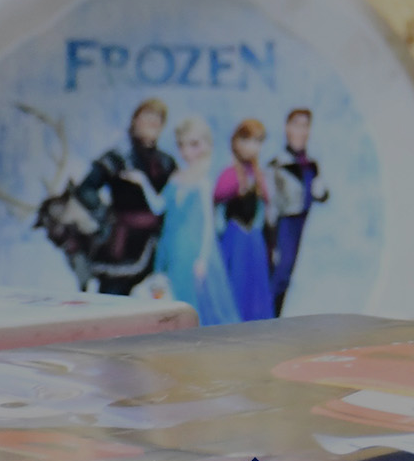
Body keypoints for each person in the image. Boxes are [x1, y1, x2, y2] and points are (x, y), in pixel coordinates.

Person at [77, 98, 177, 294]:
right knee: (114, 297)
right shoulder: (118, 158)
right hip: (123, 247)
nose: (152, 122)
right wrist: (105, 217)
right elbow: (86, 189)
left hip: (158, 246)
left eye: (158, 118)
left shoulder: (166, 162)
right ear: (135, 120)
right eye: (147, 116)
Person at [151, 113, 240, 327]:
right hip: (170, 245)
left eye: (193, 144)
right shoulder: (176, 177)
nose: (186, 151)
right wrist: (141, 182)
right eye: (182, 145)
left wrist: (203, 258)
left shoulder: (203, 182)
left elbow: (209, 225)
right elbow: (158, 205)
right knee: (168, 295)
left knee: (191, 299)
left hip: (191, 249)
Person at [264, 108, 327, 316]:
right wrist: (272, 239)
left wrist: (321, 192)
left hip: (304, 225)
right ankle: (269, 319)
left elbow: (320, 193)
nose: (301, 131)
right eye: (297, 125)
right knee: (279, 276)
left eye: (305, 126)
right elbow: (270, 205)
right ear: (287, 128)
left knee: (292, 277)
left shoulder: (311, 165)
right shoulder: (277, 165)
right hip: (283, 226)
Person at [213, 118, 274, 323]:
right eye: (246, 140)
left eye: (257, 141)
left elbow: (266, 208)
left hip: (254, 240)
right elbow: (216, 204)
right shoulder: (229, 175)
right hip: (234, 238)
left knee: (256, 289)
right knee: (235, 284)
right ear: (236, 142)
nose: (252, 146)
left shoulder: (259, 175)